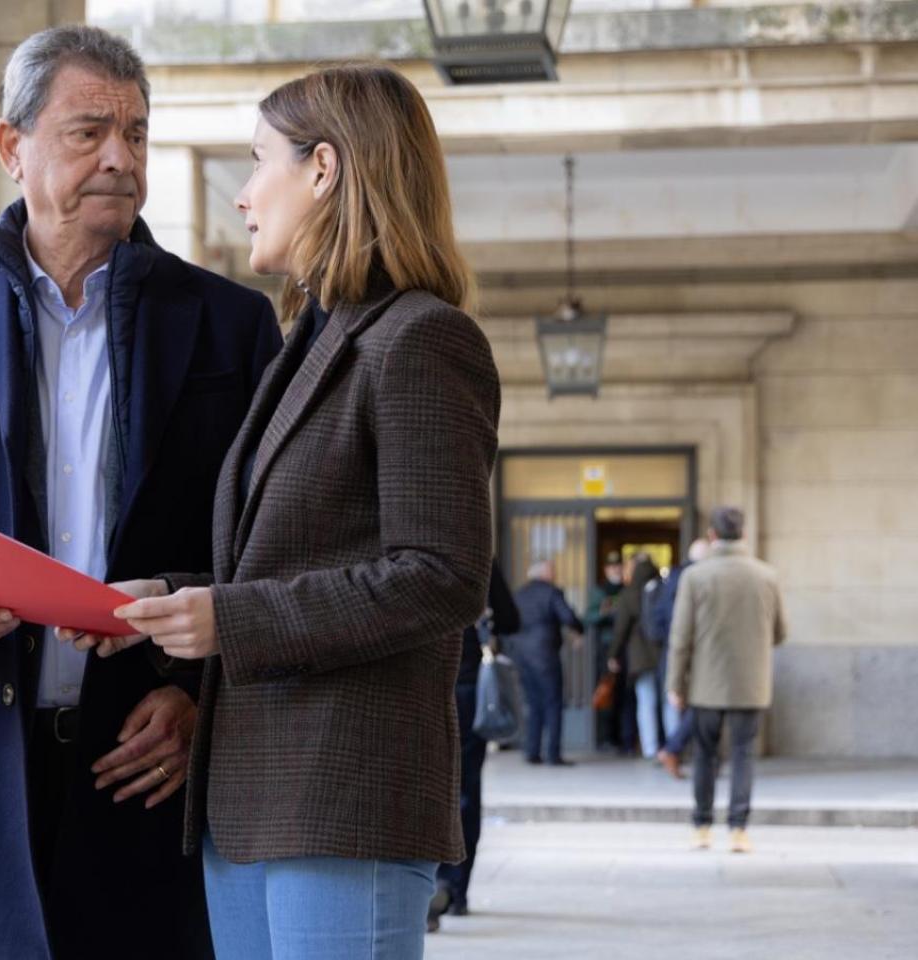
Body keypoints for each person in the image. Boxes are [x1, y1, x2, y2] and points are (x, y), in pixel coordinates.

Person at [0, 26, 282, 959]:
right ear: (12, 147)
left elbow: (269, 549)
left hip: (146, 764)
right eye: (87, 132)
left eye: (137, 133)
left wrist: (199, 692)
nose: (120, 156)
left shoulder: (230, 324)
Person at [65, 63, 500, 959]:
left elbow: (442, 575)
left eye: (259, 162)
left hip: (346, 802)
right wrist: (165, 597)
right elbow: (281, 560)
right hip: (253, 807)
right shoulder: (312, 342)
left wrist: (225, 618)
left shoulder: (422, 339)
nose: (243, 196)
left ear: (325, 170)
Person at [668, 506, 787, 854]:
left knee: (704, 755)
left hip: (705, 684)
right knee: (743, 754)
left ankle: (702, 826)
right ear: (744, 535)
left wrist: (676, 684)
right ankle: (738, 830)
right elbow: (780, 632)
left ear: (712, 536)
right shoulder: (766, 575)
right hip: (751, 684)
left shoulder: (695, 576)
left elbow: (681, 637)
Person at [431, 561, 519, 930]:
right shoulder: (478, 558)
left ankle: (430, 887)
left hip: (423, 689)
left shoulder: (400, 548)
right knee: (466, 790)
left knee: (427, 792)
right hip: (467, 689)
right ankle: (458, 890)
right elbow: (512, 620)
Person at [507, 560, 585, 766]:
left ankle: (532, 751)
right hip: (545, 655)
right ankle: (553, 754)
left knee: (532, 703)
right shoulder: (551, 592)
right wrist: (579, 630)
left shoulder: (519, 594)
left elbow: (508, 623)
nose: (555, 574)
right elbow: (568, 616)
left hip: (521, 656)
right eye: (553, 570)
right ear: (545, 573)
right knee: (553, 703)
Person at [652, 538, 710, 778]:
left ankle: (677, 749)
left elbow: (660, 619)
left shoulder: (674, 577)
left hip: (678, 648)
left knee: (692, 705)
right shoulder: (696, 579)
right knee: (702, 705)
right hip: (694, 650)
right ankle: (674, 748)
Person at [612, 554, 663, 758]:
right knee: (668, 702)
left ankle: (650, 748)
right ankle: (671, 747)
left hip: (640, 656)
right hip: (664, 653)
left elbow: (620, 630)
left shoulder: (629, 595)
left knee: (645, 701)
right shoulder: (661, 591)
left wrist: (612, 654)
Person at [586, 551, 625, 750]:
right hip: (606, 646)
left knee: (624, 694)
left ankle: (623, 738)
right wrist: (606, 613)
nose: (616, 569)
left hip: (625, 646)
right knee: (605, 691)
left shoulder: (628, 588)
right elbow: (590, 617)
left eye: (619, 566)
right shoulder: (600, 590)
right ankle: (605, 737)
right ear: (606, 569)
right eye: (612, 567)